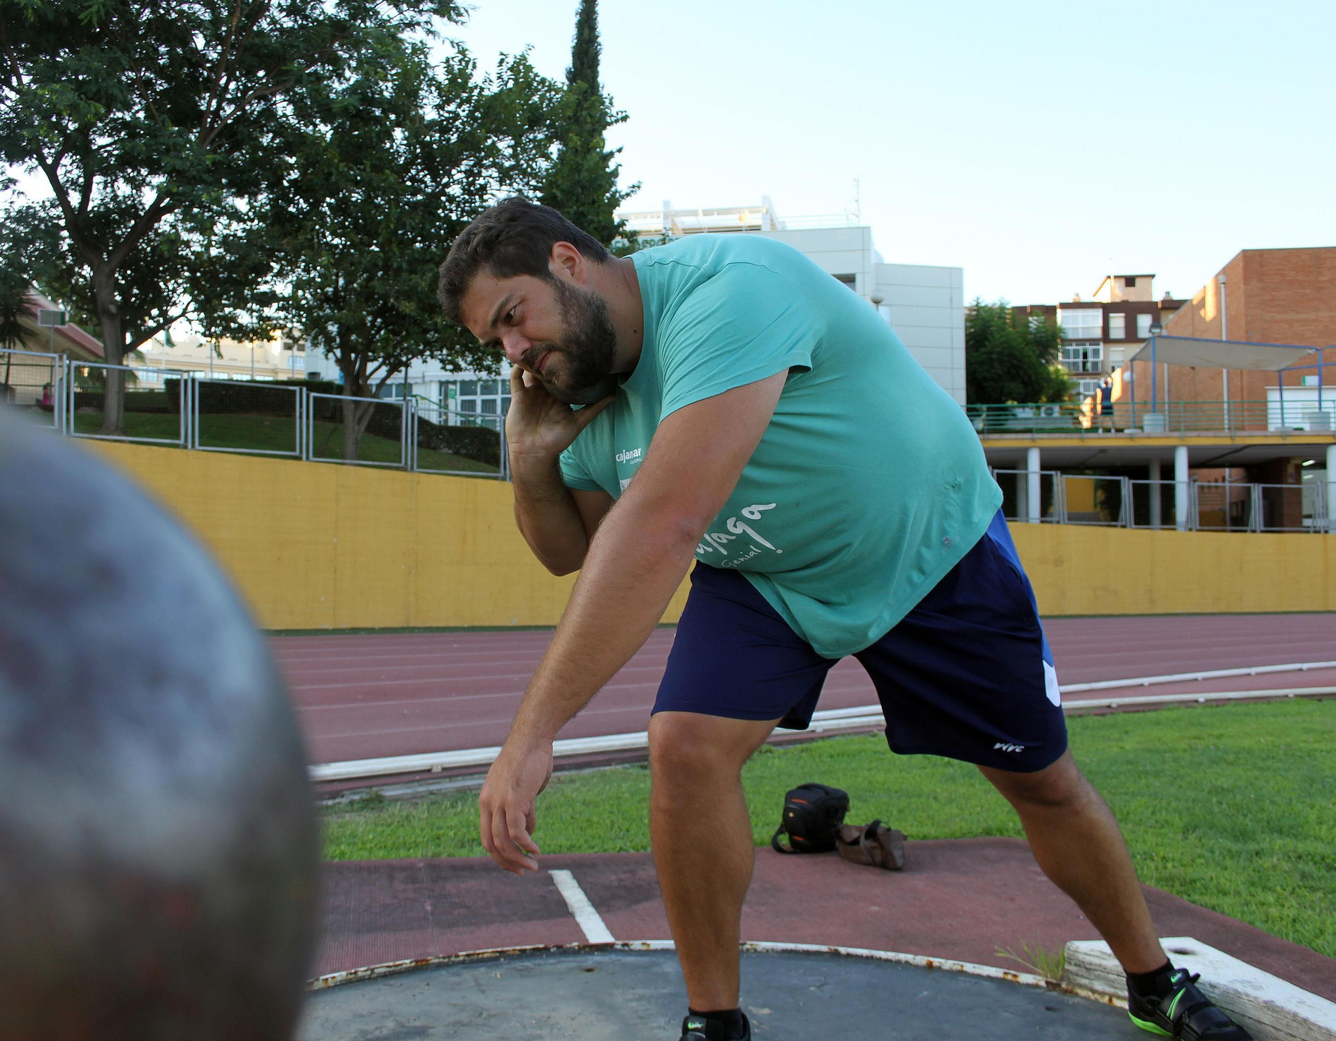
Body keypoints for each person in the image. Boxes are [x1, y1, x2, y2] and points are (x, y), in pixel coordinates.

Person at [437, 198, 1251, 1041]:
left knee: (1040, 782)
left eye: (512, 318)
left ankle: (1156, 982)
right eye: (493, 343)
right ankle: (713, 1022)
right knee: (683, 747)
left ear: (569, 263)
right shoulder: (584, 396)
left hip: (926, 550)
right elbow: (575, 550)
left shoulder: (729, 291)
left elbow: (662, 526)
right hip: (768, 576)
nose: (515, 354)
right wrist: (530, 459)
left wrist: (533, 732)